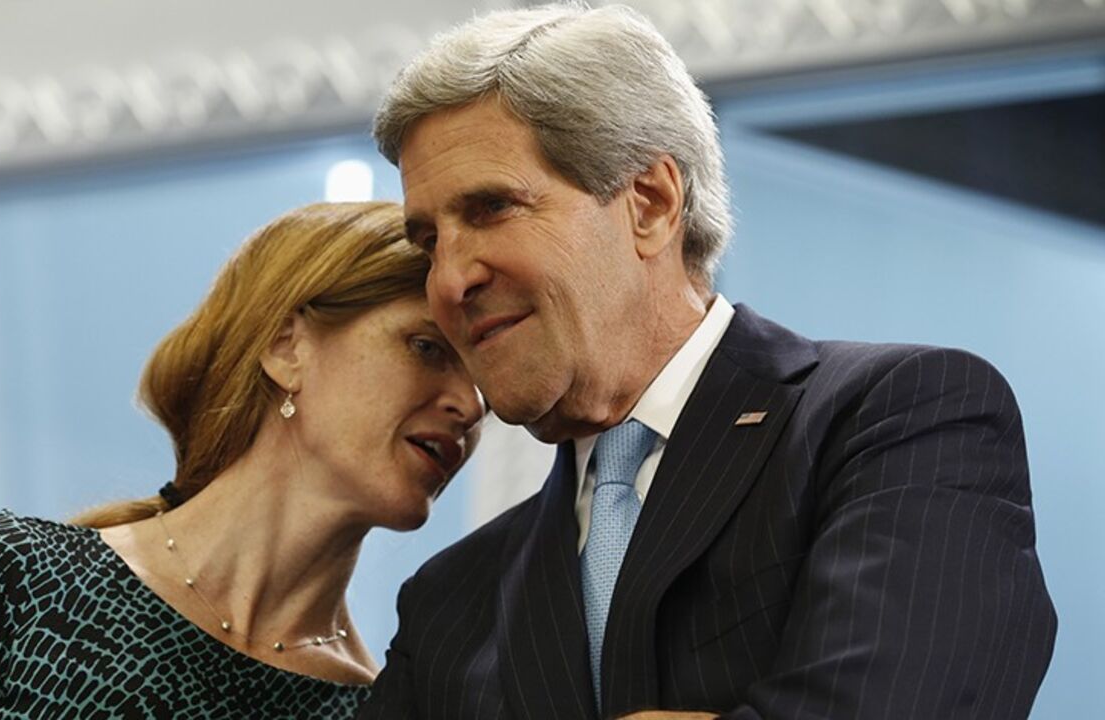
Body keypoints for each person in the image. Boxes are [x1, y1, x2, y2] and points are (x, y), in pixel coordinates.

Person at [358, 5, 1056, 720]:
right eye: (427, 243)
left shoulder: (900, 424)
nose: (448, 282)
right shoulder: (448, 604)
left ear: (652, 205)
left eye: (492, 208)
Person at [0, 201, 484, 719]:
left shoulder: (374, 710)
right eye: (427, 347)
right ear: (285, 346)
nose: (469, 404)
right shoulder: (15, 580)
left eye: (480, 374)